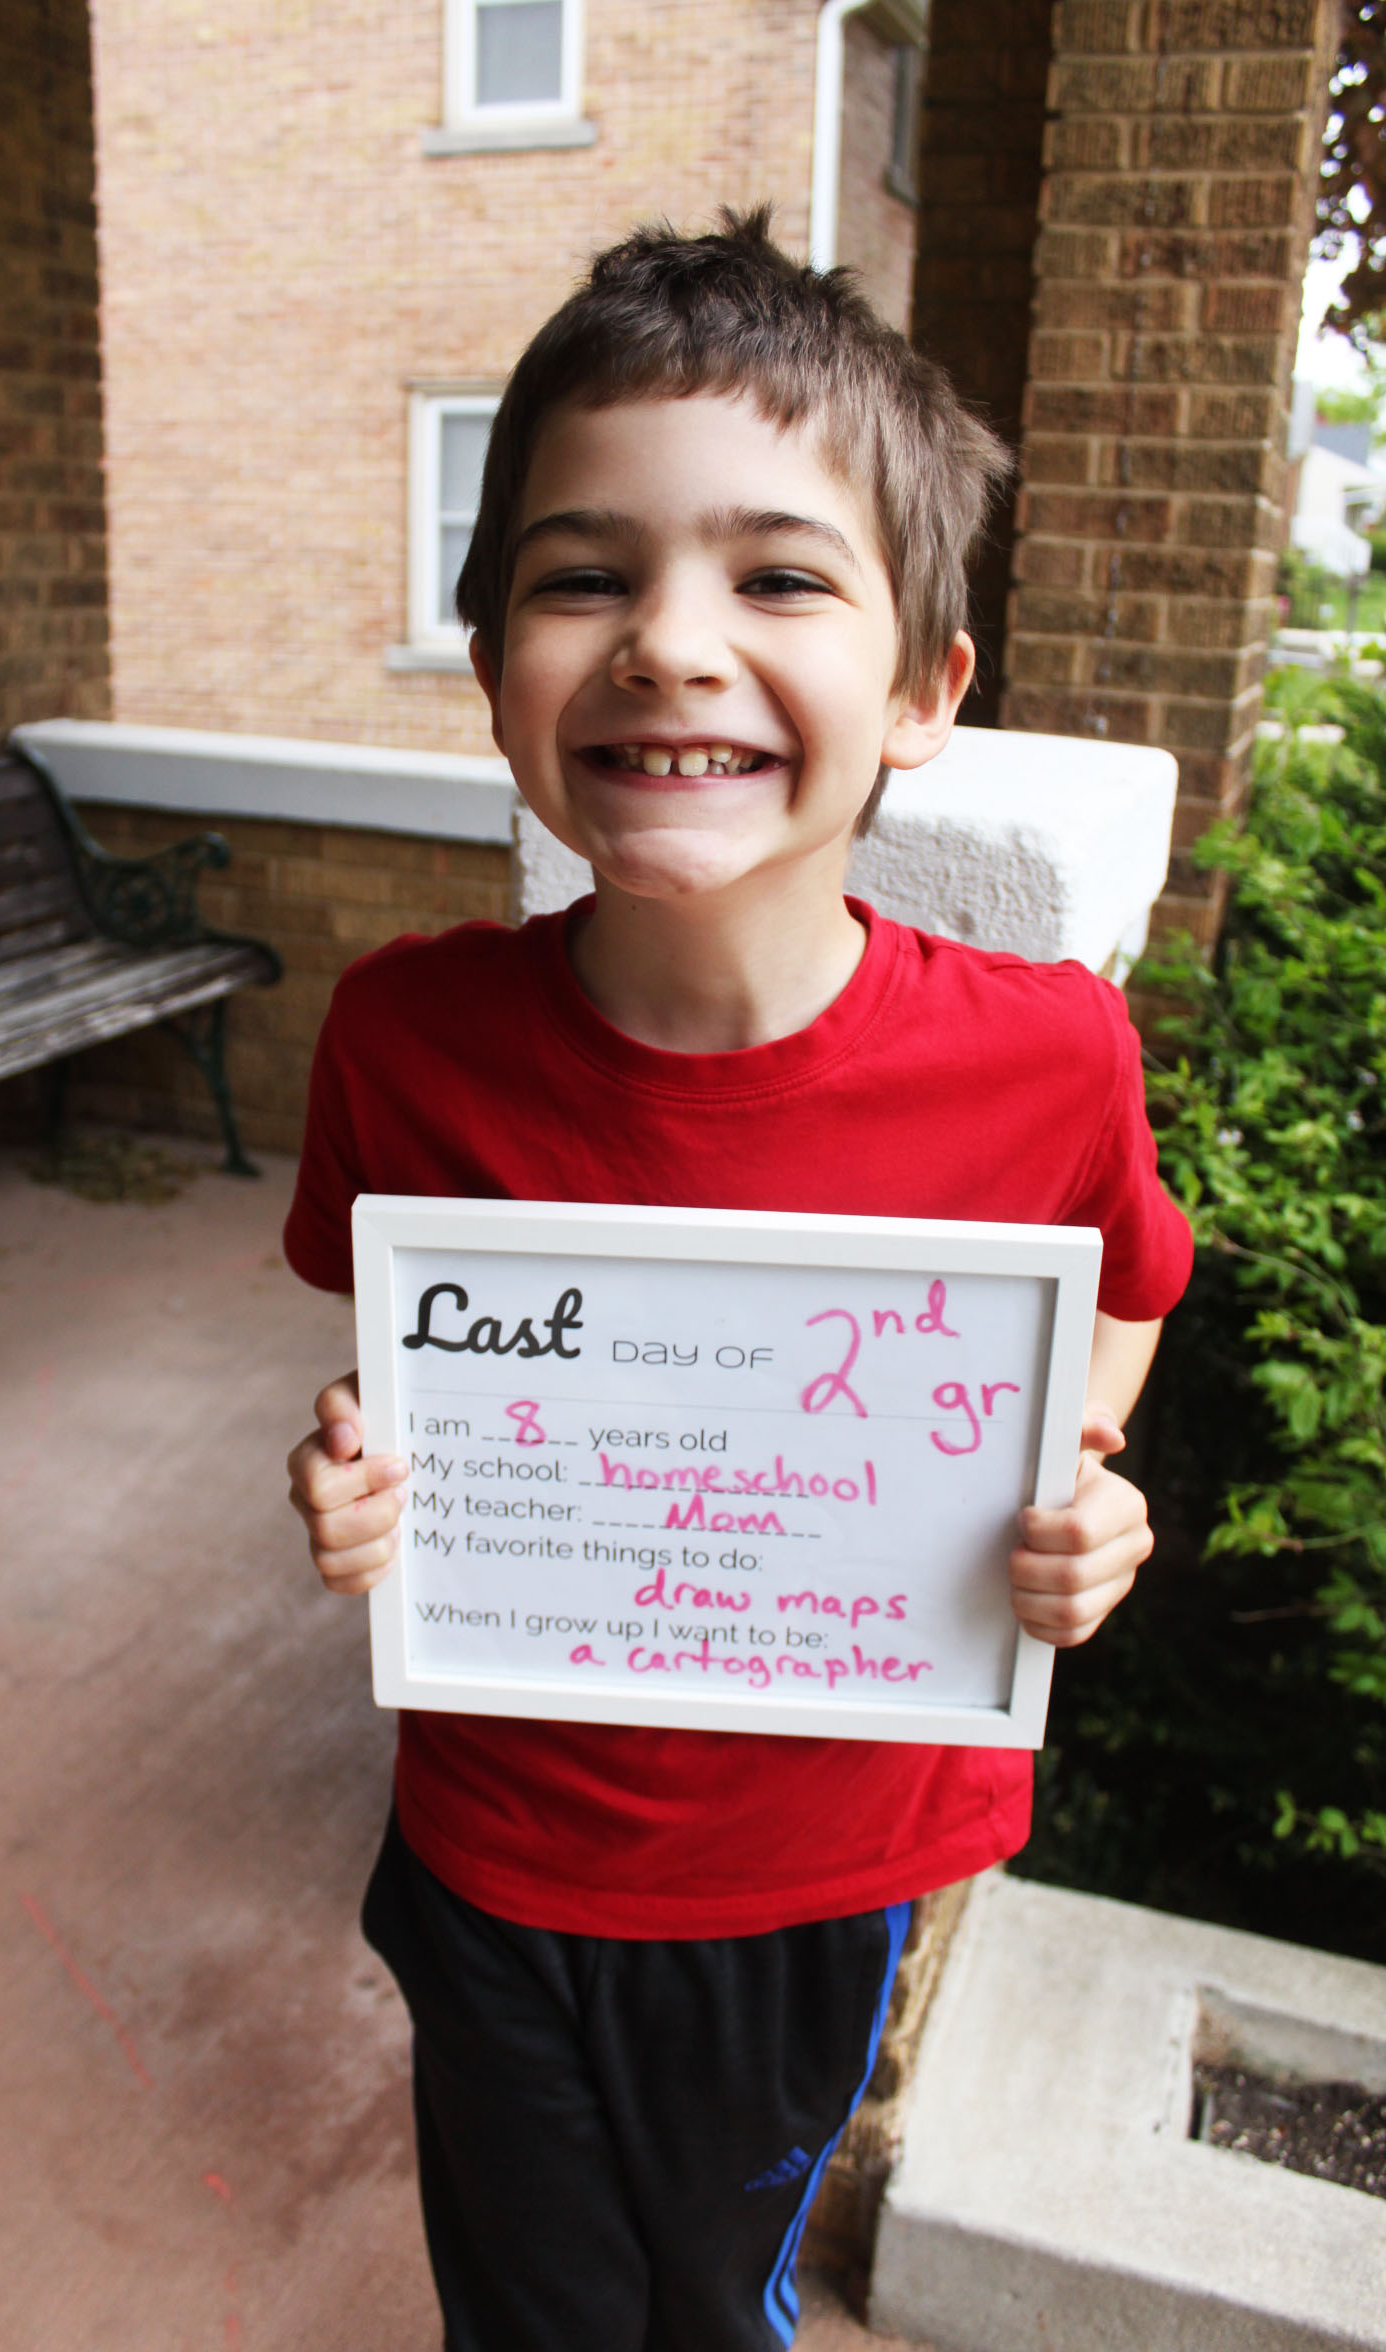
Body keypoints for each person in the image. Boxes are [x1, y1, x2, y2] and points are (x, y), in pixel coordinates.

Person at [283, 209, 1191, 2351]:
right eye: (582, 574)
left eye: (777, 576)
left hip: (813, 1867)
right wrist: (346, 1486)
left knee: (710, 2310)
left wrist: (1077, 1478)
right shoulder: (404, 1038)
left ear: (921, 691)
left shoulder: (1044, 1051)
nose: (669, 643)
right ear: (493, 652)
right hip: (491, 1850)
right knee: (524, 2313)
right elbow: (400, 1382)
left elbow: (1122, 1286)